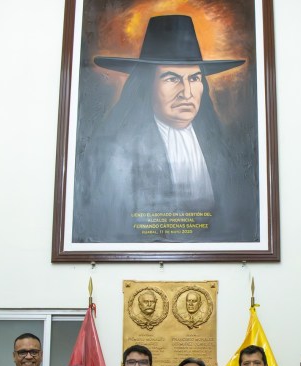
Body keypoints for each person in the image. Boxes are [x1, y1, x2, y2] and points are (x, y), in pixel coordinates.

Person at [72, 14, 258, 243]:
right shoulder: (115, 154)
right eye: (172, 79)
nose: (187, 93)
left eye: (194, 79)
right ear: (147, 85)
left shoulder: (224, 150)